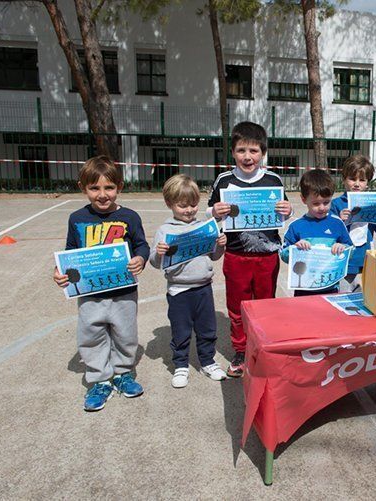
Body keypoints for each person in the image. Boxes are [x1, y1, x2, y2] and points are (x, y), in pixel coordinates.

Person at [53, 156, 149, 411]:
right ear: (83, 188)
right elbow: (70, 251)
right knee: (91, 335)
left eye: (109, 187)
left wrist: (141, 258)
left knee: (125, 335)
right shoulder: (76, 218)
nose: (103, 194)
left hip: (124, 291)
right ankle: (100, 379)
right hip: (90, 294)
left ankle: (122, 373)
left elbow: (141, 244)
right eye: (94, 188)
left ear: (120, 187)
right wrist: (60, 271)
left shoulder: (130, 216)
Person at [207, 121, 293, 378]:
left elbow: (284, 211)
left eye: (254, 151)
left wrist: (288, 211)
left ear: (263, 152)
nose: (248, 156)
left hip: (267, 255)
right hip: (236, 256)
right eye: (242, 150)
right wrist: (214, 212)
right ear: (233, 152)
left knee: (266, 305)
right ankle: (241, 350)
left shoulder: (273, 179)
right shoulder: (224, 180)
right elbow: (209, 213)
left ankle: (265, 348)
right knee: (238, 307)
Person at [149, 174, 228, 388]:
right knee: (181, 331)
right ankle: (181, 365)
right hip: (179, 291)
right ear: (170, 204)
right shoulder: (165, 231)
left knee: (207, 329)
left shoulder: (203, 226)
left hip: (203, 288)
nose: (189, 210)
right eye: (183, 206)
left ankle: (207, 361)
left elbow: (214, 256)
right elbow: (155, 263)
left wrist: (220, 244)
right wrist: (158, 252)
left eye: (193, 204)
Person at [330, 154, 376, 292]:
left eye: (362, 180)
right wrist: (339, 221)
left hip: (365, 260)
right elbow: (327, 233)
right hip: (343, 261)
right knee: (343, 298)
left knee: (364, 300)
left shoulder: (373, 203)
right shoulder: (336, 204)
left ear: (368, 182)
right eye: (352, 179)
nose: (357, 184)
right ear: (344, 179)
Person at [281, 169, 352, 296]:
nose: (322, 207)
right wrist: (295, 248)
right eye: (316, 203)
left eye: (326, 202)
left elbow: (351, 249)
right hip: (303, 290)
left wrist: (343, 248)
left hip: (331, 289)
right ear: (303, 199)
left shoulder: (337, 223)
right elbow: (284, 254)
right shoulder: (296, 226)